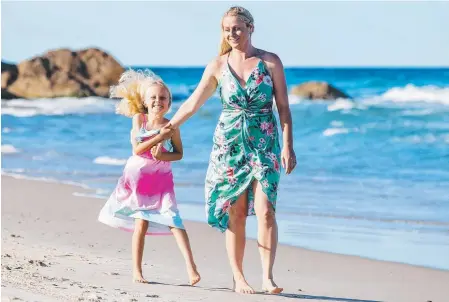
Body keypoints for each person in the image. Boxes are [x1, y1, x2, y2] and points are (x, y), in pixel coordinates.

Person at [163, 6, 296, 294]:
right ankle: (238, 277)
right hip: (230, 145)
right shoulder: (218, 65)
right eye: (226, 29)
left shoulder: (270, 62)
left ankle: (267, 277)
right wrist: (169, 126)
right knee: (235, 213)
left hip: (265, 145)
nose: (231, 34)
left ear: (250, 28)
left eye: (236, 28)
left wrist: (288, 145)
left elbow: (284, 108)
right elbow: (193, 102)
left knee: (266, 210)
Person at [98, 69, 201, 286]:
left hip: (162, 179)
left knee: (174, 220)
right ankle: (137, 271)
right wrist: (158, 139)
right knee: (141, 224)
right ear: (145, 101)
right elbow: (137, 149)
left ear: (169, 102)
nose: (157, 101)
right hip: (138, 180)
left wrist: (164, 153)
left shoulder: (171, 126)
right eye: (153, 97)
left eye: (162, 98)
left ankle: (191, 268)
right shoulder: (140, 119)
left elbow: (179, 154)